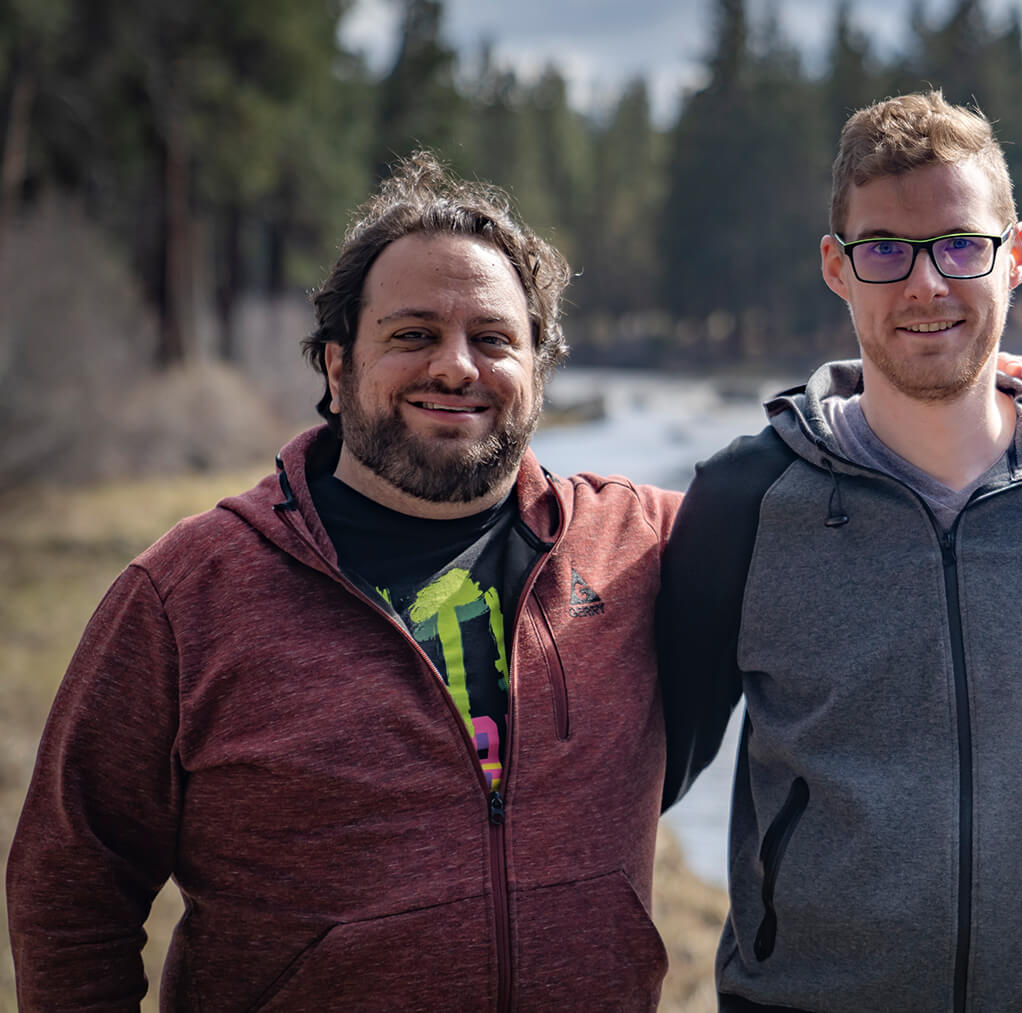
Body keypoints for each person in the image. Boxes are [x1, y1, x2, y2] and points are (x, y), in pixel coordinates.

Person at [6, 153, 681, 1010]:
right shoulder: (187, 596)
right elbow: (68, 893)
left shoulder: (636, 543)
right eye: (412, 334)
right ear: (335, 366)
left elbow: (820, 498)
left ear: (539, 371)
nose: (456, 367)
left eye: (493, 338)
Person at [656, 91, 1022, 1012]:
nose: (926, 285)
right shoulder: (745, 500)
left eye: (961, 245)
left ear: (1016, 256)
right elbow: (644, 767)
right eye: (884, 249)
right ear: (835, 268)